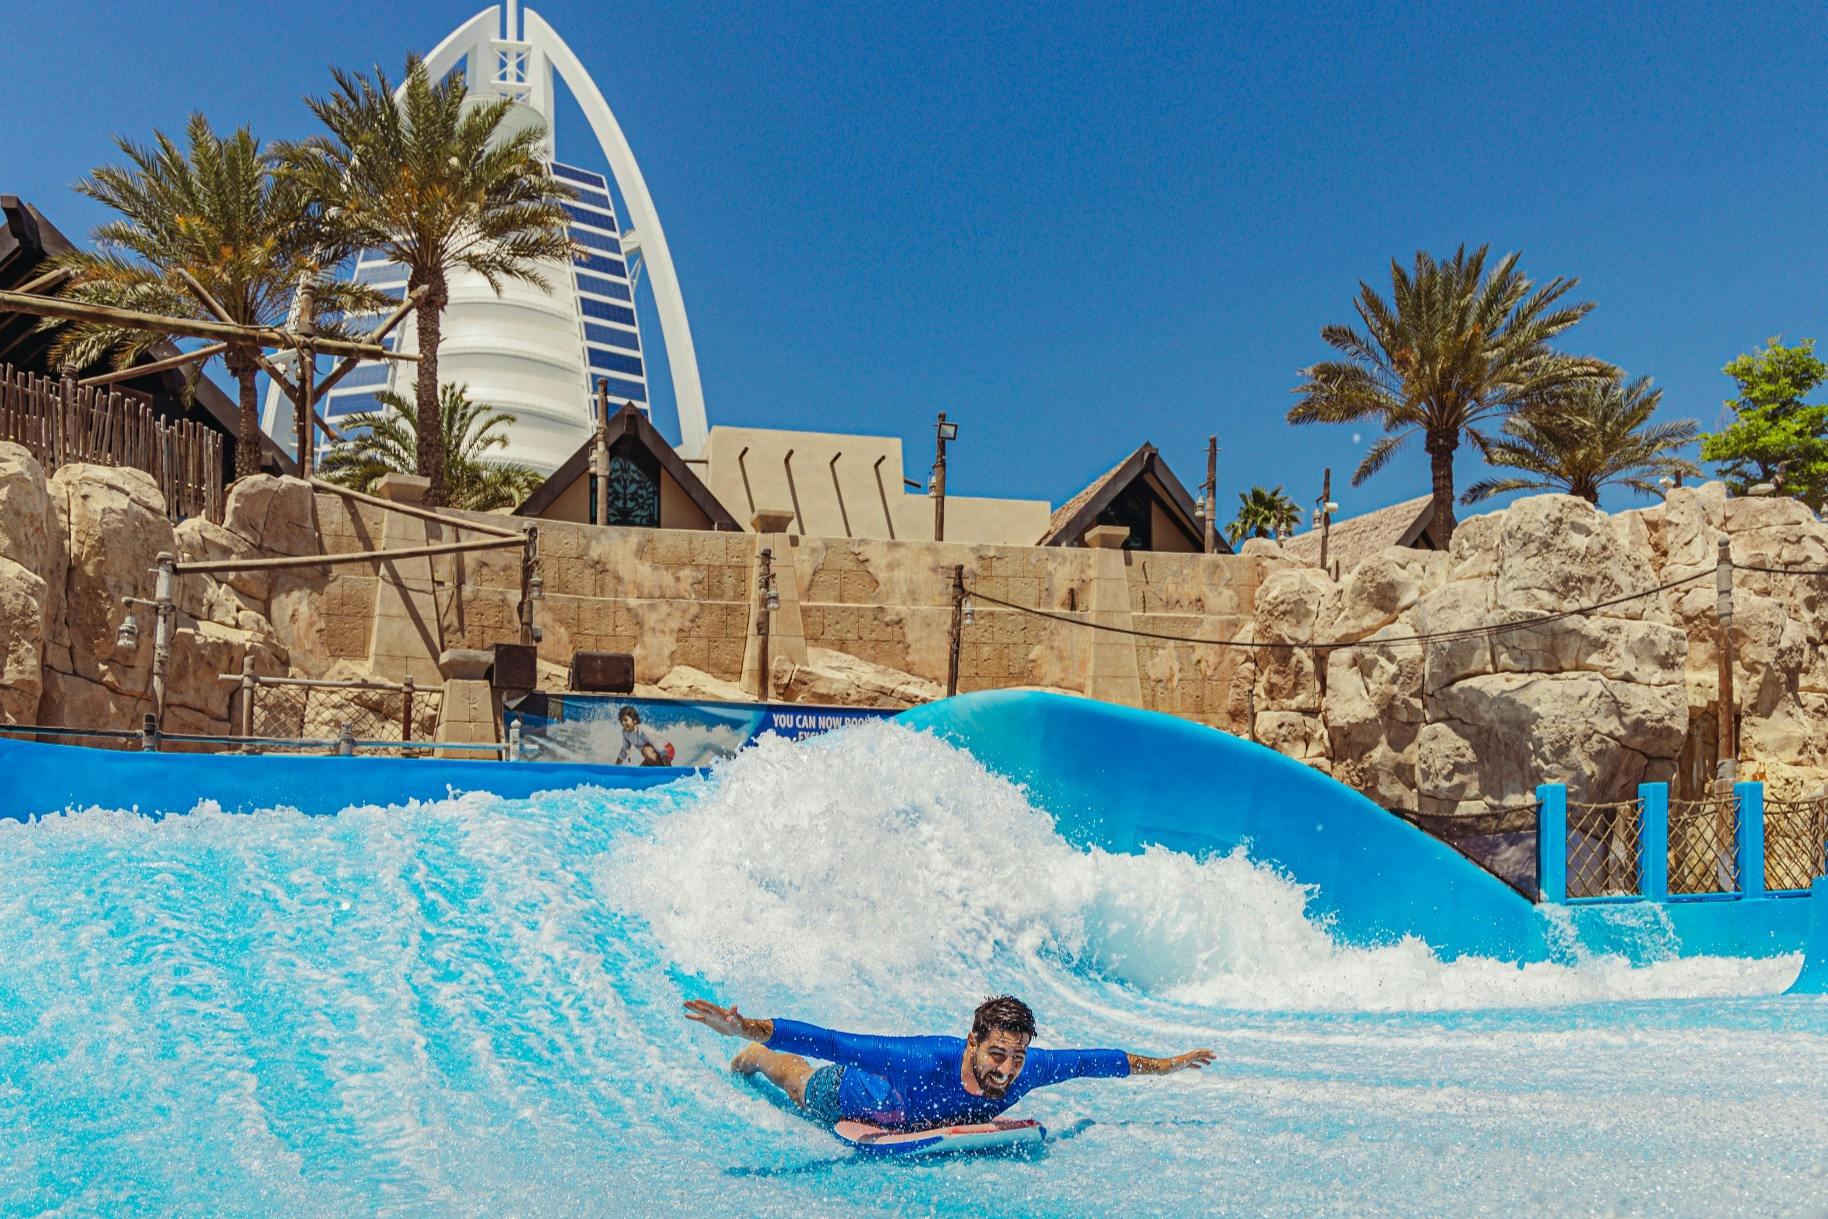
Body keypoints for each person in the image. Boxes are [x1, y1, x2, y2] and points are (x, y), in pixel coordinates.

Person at [682, 993, 1214, 1131]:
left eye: (1016, 1057)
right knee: (797, 1079)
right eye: (997, 1055)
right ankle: (758, 1056)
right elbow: (837, 1042)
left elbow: (1098, 1061)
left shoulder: (1029, 1069)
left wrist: (1165, 1065)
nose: (1006, 1070)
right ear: (972, 1044)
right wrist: (749, 1028)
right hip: (856, 1099)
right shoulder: (922, 1059)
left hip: (924, 1122)